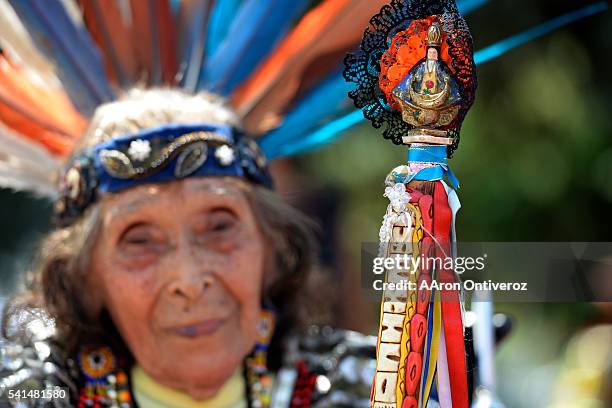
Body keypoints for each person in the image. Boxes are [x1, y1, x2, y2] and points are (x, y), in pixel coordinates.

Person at [0, 89, 376, 408]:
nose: (191, 280)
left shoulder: (373, 387)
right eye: (139, 241)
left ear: (272, 251)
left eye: (219, 227)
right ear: (85, 279)